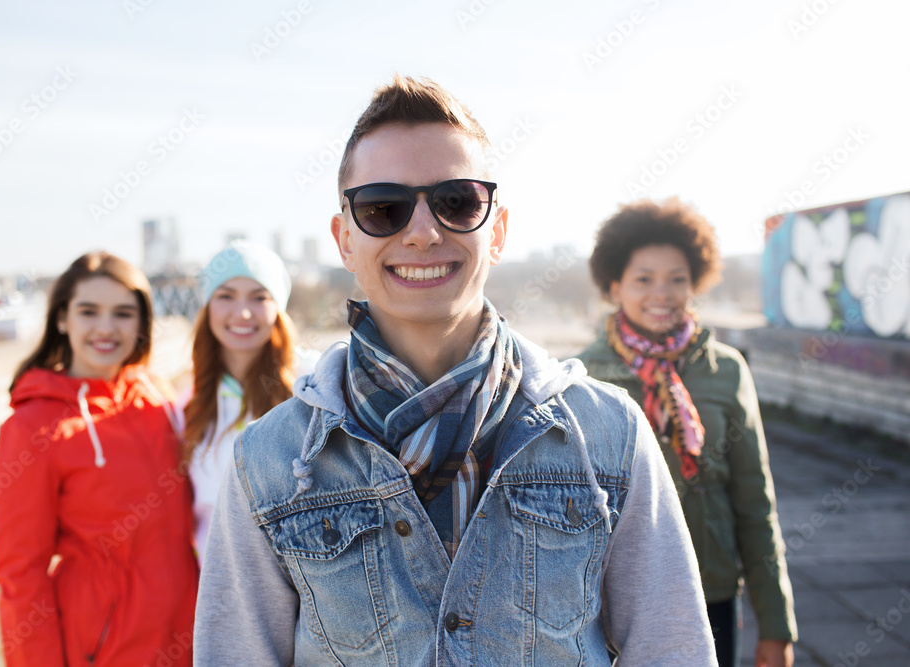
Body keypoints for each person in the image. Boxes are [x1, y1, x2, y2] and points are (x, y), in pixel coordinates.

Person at [194, 75, 717, 665]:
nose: (423, 232)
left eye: (457, 202)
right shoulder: (269, 461)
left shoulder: (609, 432)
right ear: (344, 241)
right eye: (383, 208)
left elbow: (672, 650)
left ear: (497, 231)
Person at [577, 199, 798, 667]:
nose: (662, 293)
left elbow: (754, 502)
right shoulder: (582, 377)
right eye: (644, 279)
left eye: (677, 279)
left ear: (694, 283)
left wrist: (776, 625)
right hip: (610, 599)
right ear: (615, 286)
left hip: (710, 591)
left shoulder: (726, 370)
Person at [0, 252, 198, 667]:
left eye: (123, 313)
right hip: (106, 646)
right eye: (89, 312)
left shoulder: (155, 395)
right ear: (62, 318)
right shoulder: (32, 427)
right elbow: (20, 572)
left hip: (192, 633)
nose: (106, 328)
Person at [180, 240, 317, 563]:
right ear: (207, 306)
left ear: (278, 308)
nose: (242, 313)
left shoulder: (314, 383)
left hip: (306, 578)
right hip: (221, 581)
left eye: (259, 297)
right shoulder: (187, 406)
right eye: (225, 296)